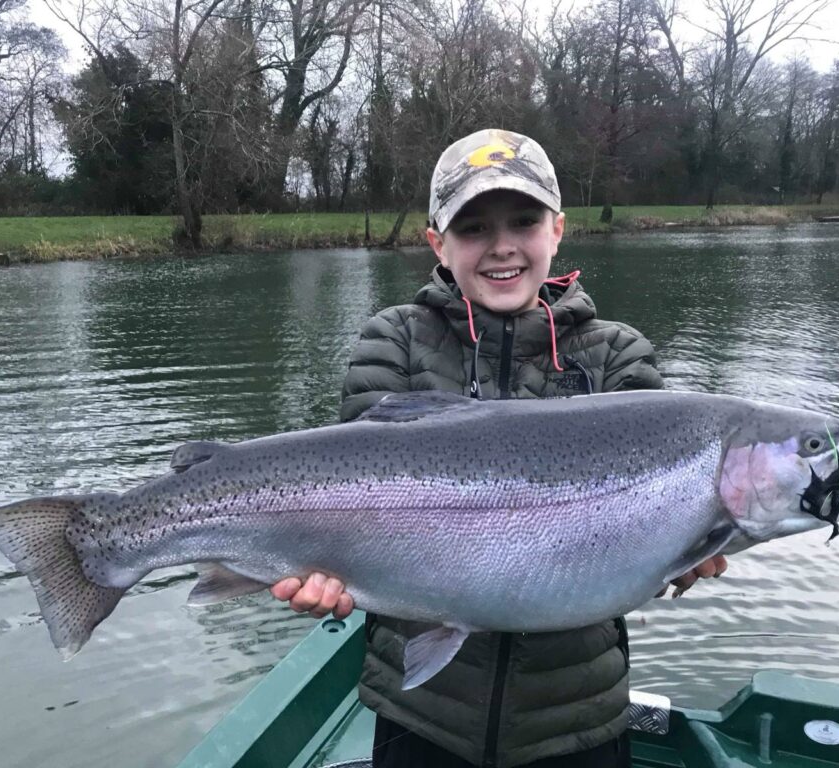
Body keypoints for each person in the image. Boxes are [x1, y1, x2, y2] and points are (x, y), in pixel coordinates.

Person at [271, 129, 727, 768]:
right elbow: (351, 497)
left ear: (557, 229)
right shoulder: (394, 342)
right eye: (474, 227)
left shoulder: (617, 356)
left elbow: (647, 538)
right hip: (422, 713)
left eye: (523, 220)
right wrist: (319, 569)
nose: (503, 245)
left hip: (576, 715)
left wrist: (681, 557)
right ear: (438, 242)